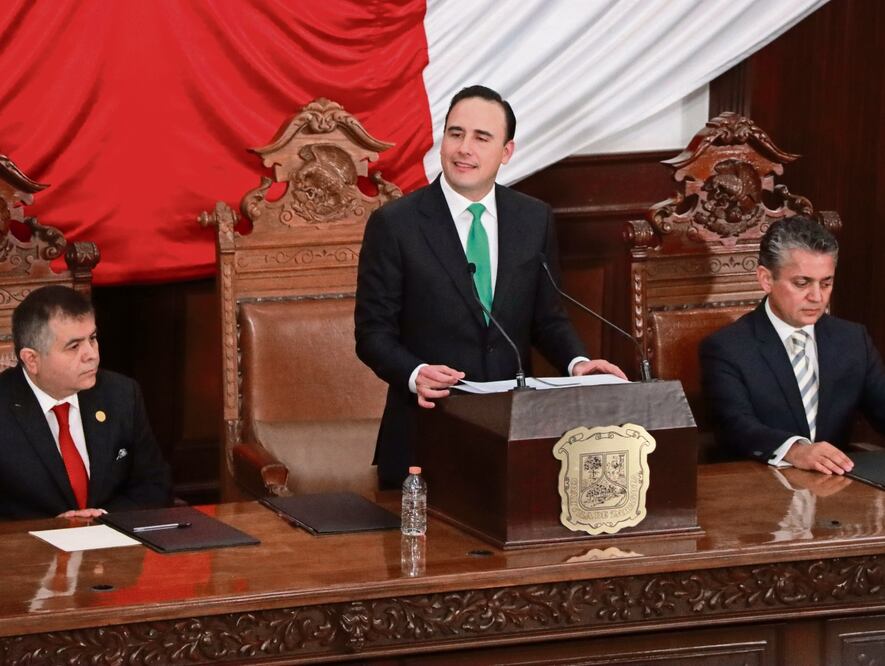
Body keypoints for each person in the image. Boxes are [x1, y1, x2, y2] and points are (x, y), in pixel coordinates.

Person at [355, 85, 626, 487]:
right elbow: (372, 333)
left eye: (482, 138)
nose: (465, 148)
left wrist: (576, 363)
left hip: (514, 434)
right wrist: (415, 373)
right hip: (425, 435)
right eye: (456, 133)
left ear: (506, 152)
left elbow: (547, 317)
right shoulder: (396, 225)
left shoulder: (533, 219)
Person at [700, 216, 885, 475]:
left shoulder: (853, 340)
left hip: (837, 495)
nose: (817, 297)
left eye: (826, 283)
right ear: (766, 279)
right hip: (760, 490)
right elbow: (736, 425)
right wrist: (796, 450)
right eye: (802, 283)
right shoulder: (727, 348)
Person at [0, 285, 171, 520]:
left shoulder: (121, 394)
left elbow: (155, 485)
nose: (91, 354)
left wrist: (104, 517)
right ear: (32, 359)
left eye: (92, 339)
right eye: (74, 346)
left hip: (113, 548)